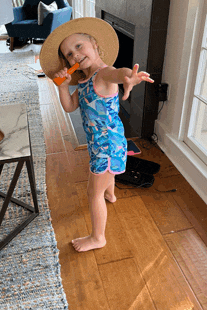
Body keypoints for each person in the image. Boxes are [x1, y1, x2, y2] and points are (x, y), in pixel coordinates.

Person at [39, 17, 154, 252]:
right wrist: (62, 87)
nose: (75, 56)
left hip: (108, 146)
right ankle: (110, 194)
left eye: (79, 46)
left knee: (93, 192)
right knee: (105, 179)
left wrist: (128, 77)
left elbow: (118, 73)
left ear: (95, 45)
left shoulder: (103, 75)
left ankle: (97, 237)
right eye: (69, 54)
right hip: (99, 143)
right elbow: (70, 107)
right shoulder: (84, 81)